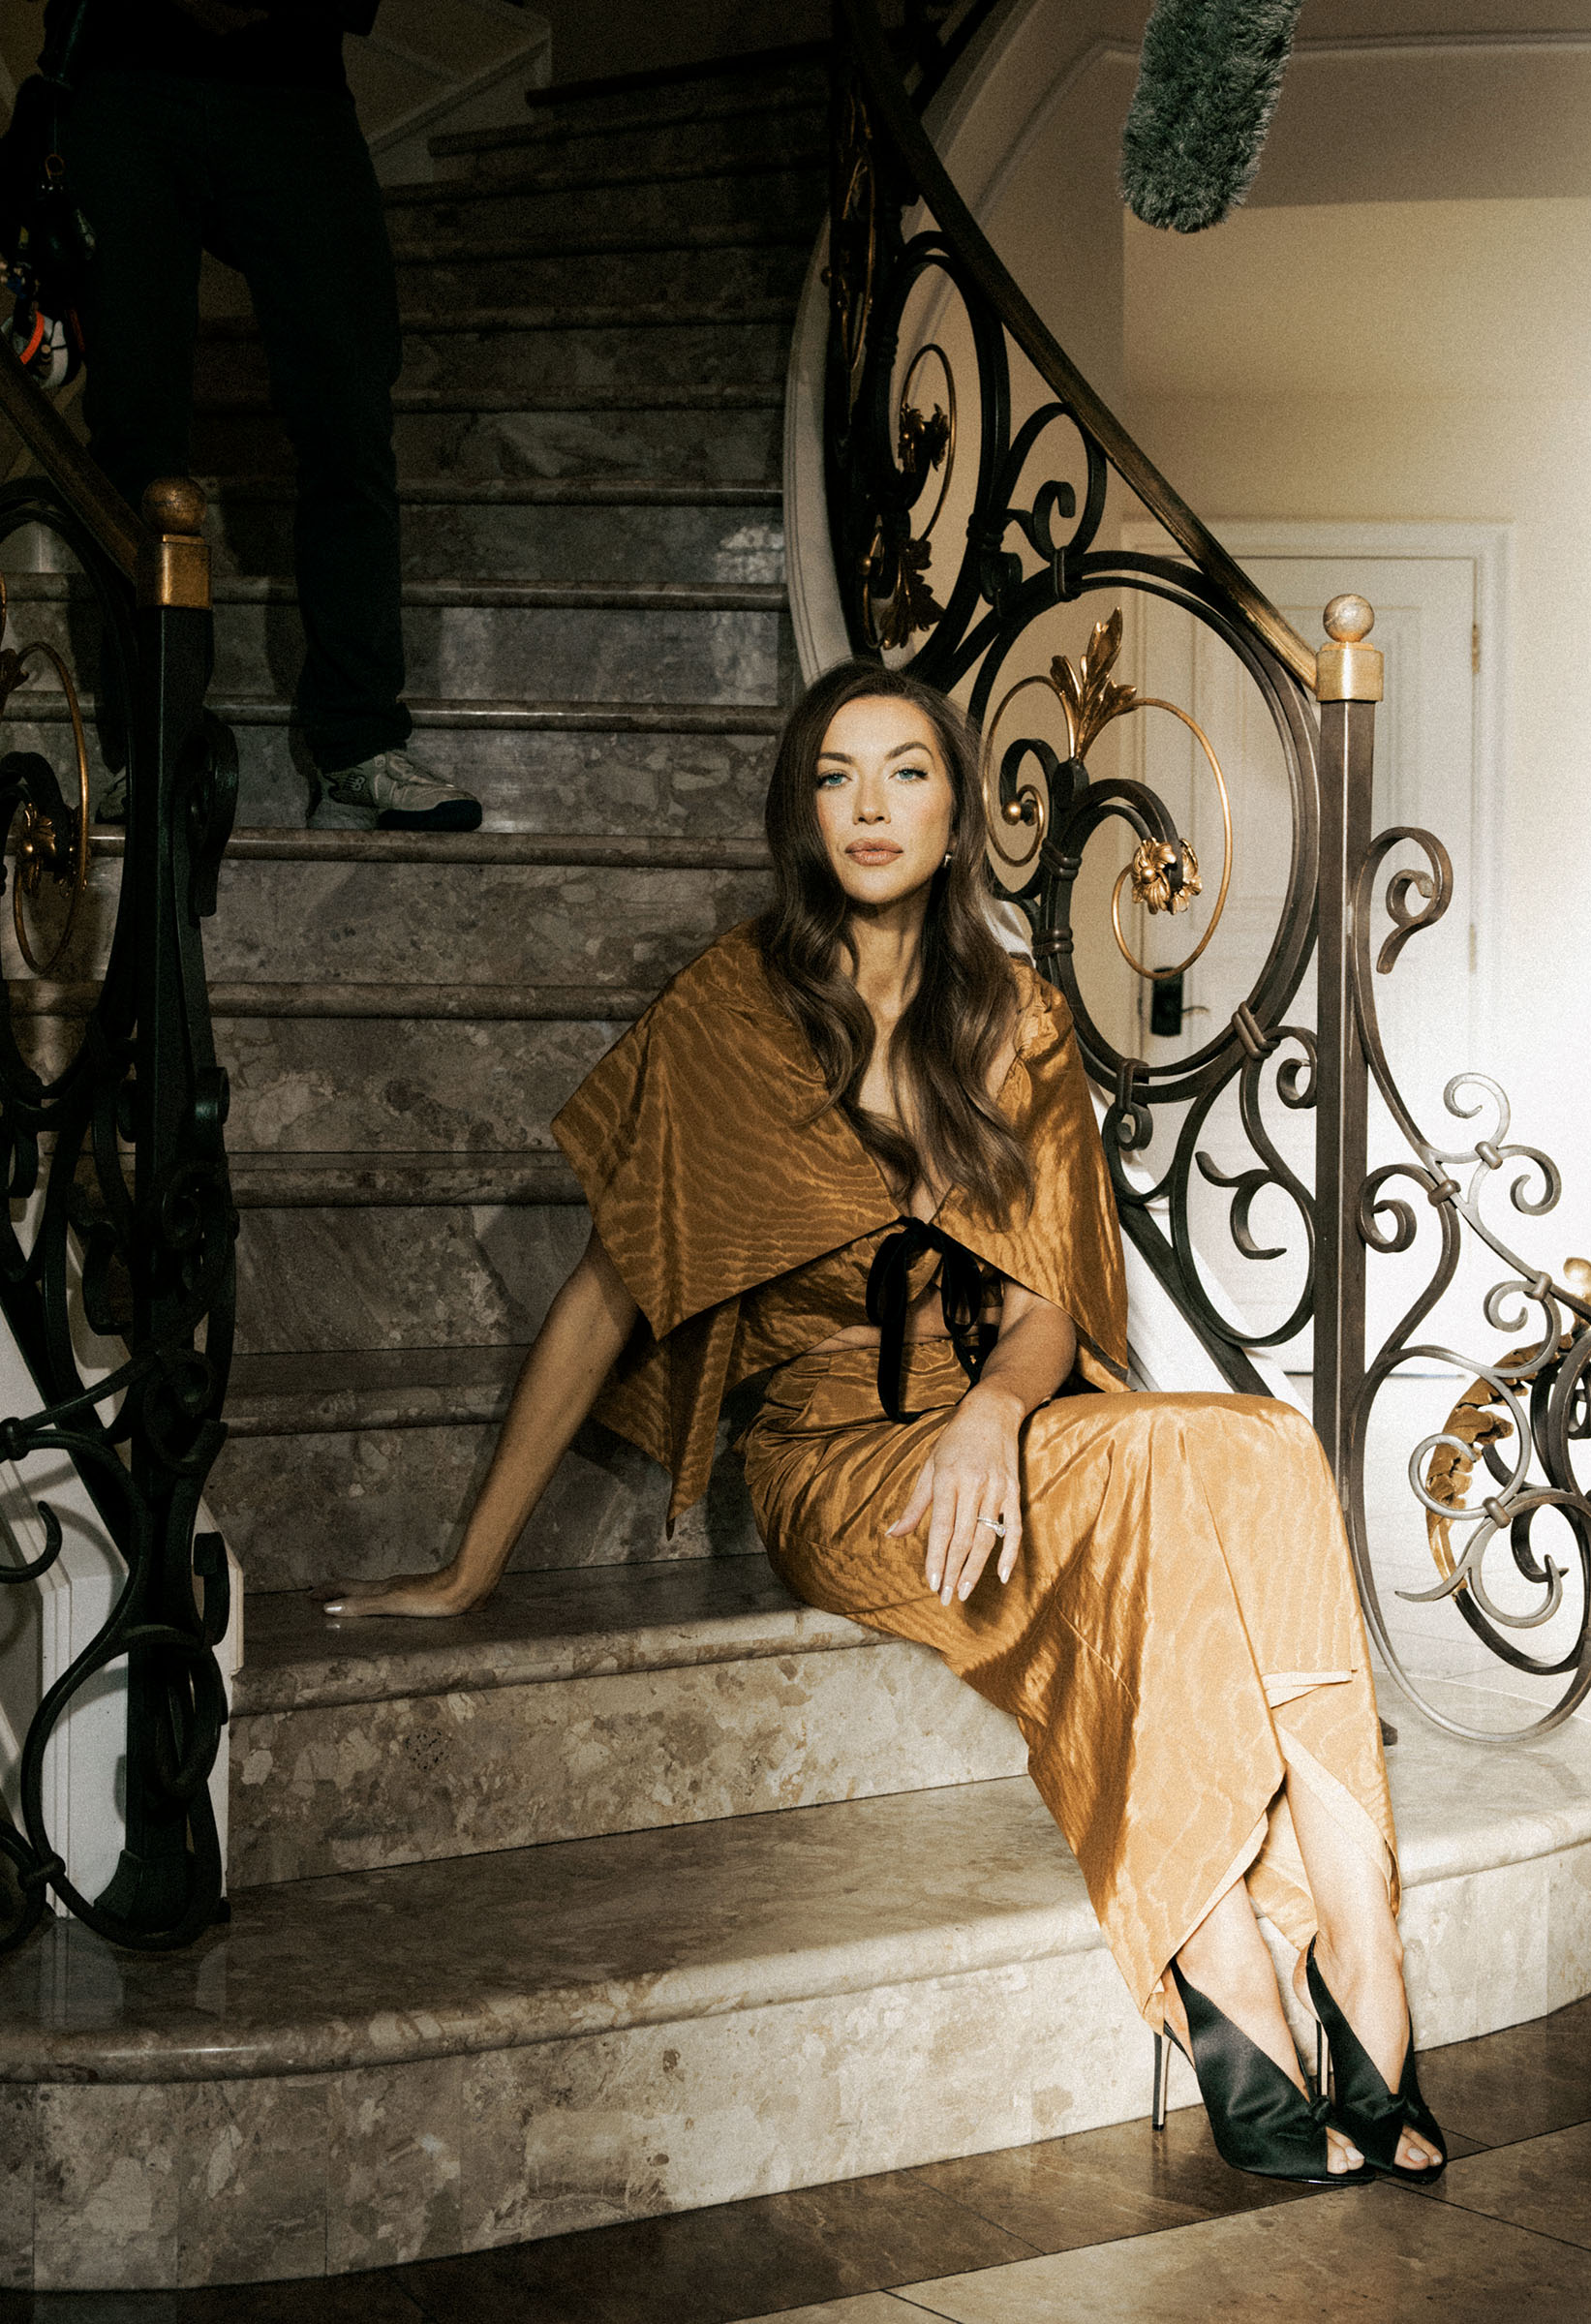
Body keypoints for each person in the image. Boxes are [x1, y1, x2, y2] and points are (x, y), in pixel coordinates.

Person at [318, 659, 1447, 2188]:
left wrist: (992, 1412)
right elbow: (601, 1298)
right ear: (802, 809)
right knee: (1175, 1480)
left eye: (906, 771)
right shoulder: (730, 1012)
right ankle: (1221, 1950)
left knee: (1259, 1442)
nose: (869, 806)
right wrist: (469, 1569)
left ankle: (1363, 1946)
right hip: (836, 1457)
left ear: (957, 809)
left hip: (999, 1422)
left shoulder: (1019, 1015)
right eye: (838, 775)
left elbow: (1052, 1297)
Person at [57, 0, 481, 831]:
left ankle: (357, 739)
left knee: (348, 414)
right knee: (135, 435)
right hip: (128, 73)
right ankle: (154, 753)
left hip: (293, 80)